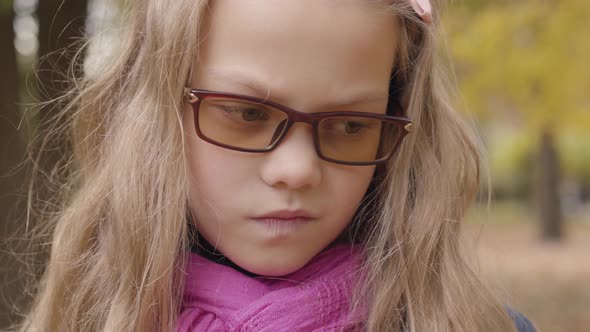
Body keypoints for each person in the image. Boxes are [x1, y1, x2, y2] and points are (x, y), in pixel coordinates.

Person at [17, 0, 537, 331]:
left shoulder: (470, 324)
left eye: (351, 125)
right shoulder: (86, 317)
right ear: (157, 114)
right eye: (245, 113)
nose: (297, 170)